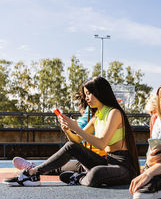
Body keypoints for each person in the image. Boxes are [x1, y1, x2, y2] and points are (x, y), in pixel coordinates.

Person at [4, 77, 140, 187]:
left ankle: (80, 178)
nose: (87, 98)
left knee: (96, 173)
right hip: (107, 161)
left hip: (122, 166)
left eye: (89, 94)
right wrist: (68, 131)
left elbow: (102, 144)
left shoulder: (114, 113)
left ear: (100, 93)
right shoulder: (96, 116)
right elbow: (76, 142)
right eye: (85, 94)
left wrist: (77, 128)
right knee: (71, 147)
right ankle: (33, 173)